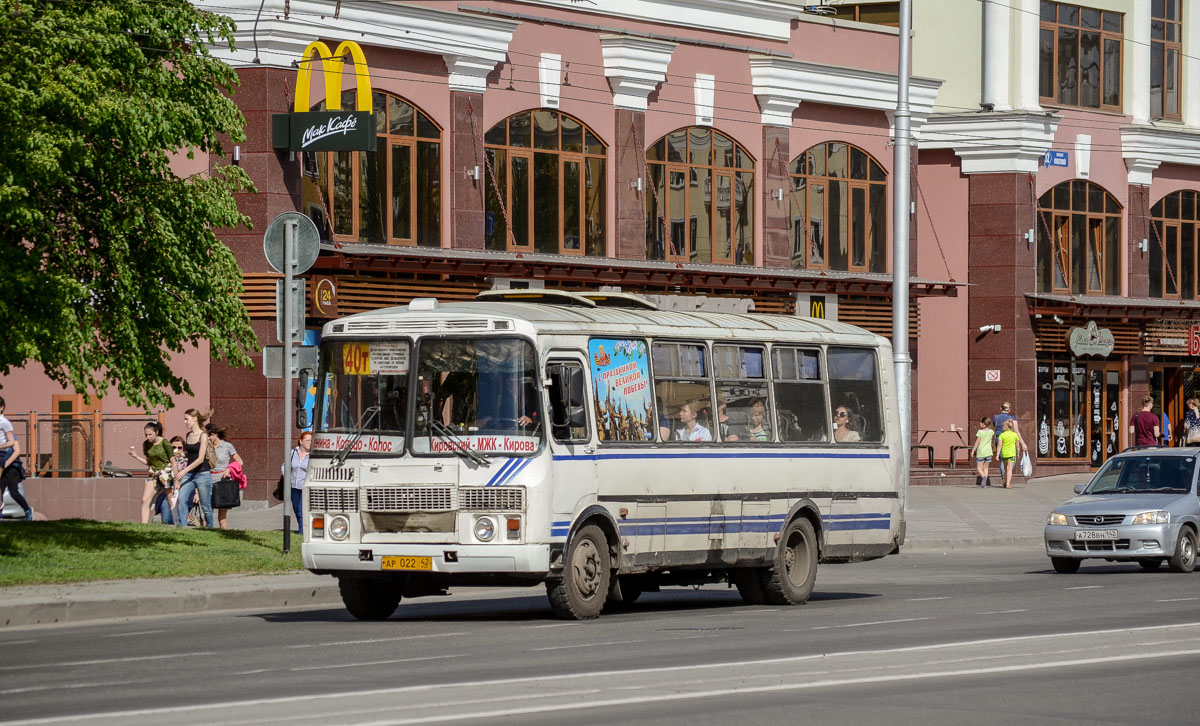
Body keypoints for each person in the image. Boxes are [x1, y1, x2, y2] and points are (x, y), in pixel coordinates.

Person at [174, 408, 214, 527]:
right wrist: (181, 454)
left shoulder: (203, 435)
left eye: (187, 419)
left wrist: (183, 471)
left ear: (195, 419)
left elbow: (200, 458)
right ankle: (182, 527)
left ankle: (211, 528)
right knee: (181, 499)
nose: (185, 422)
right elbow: (191, 454)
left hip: (202, 474)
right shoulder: (188, 435)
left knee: (205, 505)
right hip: (190, 474)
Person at [128, 421, 173, 524]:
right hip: (153, 474)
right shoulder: (146, 444)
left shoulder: (165, 443)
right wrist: (135, 456)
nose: (148, 437)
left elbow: (173, 462)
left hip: (165, 473)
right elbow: (148, 462)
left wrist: (176, 478)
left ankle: (177, 522)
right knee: (145, 499)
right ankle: (144, 525)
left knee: (170, 500)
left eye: (150, 434)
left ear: (156, 432)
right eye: (146, 434)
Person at [0, 396, 33, 521]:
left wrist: (6, 463)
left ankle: (27, 509)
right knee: (1, 490)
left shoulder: (9, 433)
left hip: (11, 467)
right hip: (3, 463)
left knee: (13, 491)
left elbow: (17, 451)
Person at [206, 423, 244, 530]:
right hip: (208, 479)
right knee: (207, 512)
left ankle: (225, 534)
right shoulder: (206, 446)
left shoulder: (227, 446)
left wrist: (229, 469)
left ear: (216, 434)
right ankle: (206, 534)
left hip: (223, 481)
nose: (208, 438)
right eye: (207, 436)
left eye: (210, 435)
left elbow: (240, 462)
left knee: (222, 517)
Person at [284, 431, 312, 534]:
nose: (310, 442)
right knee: (296, 509)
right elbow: (285, 466)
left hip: (305, 487)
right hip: (293, 486)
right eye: (308, 440)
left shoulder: (312, 455)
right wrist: (286, 475)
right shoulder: (292, 453)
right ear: (301, 441)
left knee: (301, 510)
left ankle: (302, 532)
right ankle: (303, 527)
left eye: (311, 440)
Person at [992, 402, 1025, 479]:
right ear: (1009, 409)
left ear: (1001, 408)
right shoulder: (1012, 419)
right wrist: (1023, 443)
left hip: (999, 438)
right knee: (1012, 459)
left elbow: (996, 427)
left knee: (1002, 459)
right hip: (1010, 439)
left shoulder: (995, 417)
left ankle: (1004, 476)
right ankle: (1007, 475)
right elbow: (1016, 431)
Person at [997, 419, 1026, 489]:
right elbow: (1017, 446)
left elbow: (999, 445)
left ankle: (1004, 481)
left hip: (1004, 454)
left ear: (1006, 427)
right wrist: (1018, 453)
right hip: (1012, 454)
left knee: (1005, 469)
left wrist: (997, 455)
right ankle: (1008, 483)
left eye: (1003, 426)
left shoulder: (1002, 435)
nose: (1002, 428)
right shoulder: (1015, 435)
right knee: (1009, 469)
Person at [969, 416, 995, 488]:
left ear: (983, 424)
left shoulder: (980, 432)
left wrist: (973, 450)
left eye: (981, 422)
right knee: (986, 468)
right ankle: (985, 482)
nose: (979, 423)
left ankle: (983, 477)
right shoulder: (991, 432)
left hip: (981, 452)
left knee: (979, 468)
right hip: (989, 452)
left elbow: (977, 442)